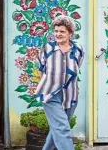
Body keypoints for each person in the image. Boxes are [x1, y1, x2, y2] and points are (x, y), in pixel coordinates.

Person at [34, 15, 84, 150]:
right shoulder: (47, 48)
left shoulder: (78, 49)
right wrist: (47, 85)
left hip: (70, 95)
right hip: (50, 94)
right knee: (62, 129)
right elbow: (41, 70)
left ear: (70, 33)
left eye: (62, 31)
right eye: (56, 31)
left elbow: (76, 68)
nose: (58, 34)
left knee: (57, 129)